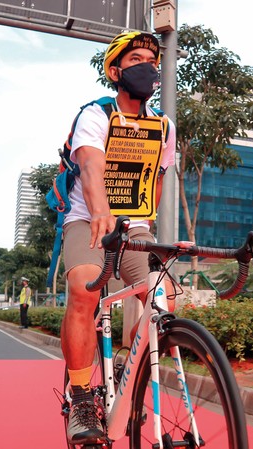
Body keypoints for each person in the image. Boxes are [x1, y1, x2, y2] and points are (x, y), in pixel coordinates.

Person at [60, 31, 176, 445]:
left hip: (135, 228)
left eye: (151, 58)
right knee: (85, 287)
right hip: (89, 220)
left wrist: (146, 225)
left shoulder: (163, 126)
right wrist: (102, 212)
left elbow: (157, 180)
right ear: (115, 71)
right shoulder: (96, 114)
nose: (147, 65)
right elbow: (90, 168)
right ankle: (81, 397)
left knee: (165, 301)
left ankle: (129, 374)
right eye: (136, 60)